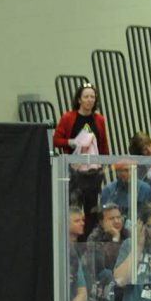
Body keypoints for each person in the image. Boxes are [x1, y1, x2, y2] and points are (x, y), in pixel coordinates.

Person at [53, 83, 109, 239]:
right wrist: (71, 142)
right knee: (74, 208)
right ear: (79, 99)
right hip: (74, 171)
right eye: (86, 97)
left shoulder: (99, 119)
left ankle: (88, 241)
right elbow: (56, 140)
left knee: (91, 209)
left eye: (92, 97)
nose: (89, 100)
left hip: (93, 171)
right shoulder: (68, 117)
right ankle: (72, 240)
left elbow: (103, 144)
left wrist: (104, 166)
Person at [86, 204, 128, 301]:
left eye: (118, 217)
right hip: (103, 284)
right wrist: (115, 239)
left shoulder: (128, 234)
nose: (116, 221)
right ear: (101, 222)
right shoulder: (94, 238)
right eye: (111, 218)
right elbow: (103, 265)